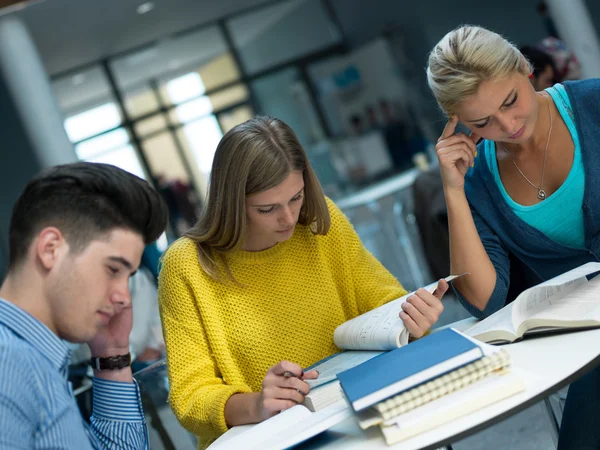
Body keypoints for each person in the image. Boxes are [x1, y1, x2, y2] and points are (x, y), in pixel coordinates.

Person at [158, 115, 449, 448]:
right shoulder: (187, 266)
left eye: (295, 197)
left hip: (363, 418)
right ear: (231, 204)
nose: (288, 218)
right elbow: (190, 396)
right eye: (267, 209)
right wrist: (256, 404)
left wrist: (410, 317)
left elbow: (384, 300)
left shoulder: (318, 224)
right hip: (275, 439)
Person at [427, 25, 600, 450]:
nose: (508, 125)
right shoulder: (480, 180)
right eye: (482, 122)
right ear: (457, 123)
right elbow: (484, 300)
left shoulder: (594, 105)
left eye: (511, 101)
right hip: (584, 343)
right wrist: (453, 189)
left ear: (525, 69)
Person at [0, 162, 167, 449]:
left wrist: (112, 355)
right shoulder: (9, 364)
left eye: (127, 277)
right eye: (113, 269)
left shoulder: (36, 360)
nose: (124, 298)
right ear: (51, 249)